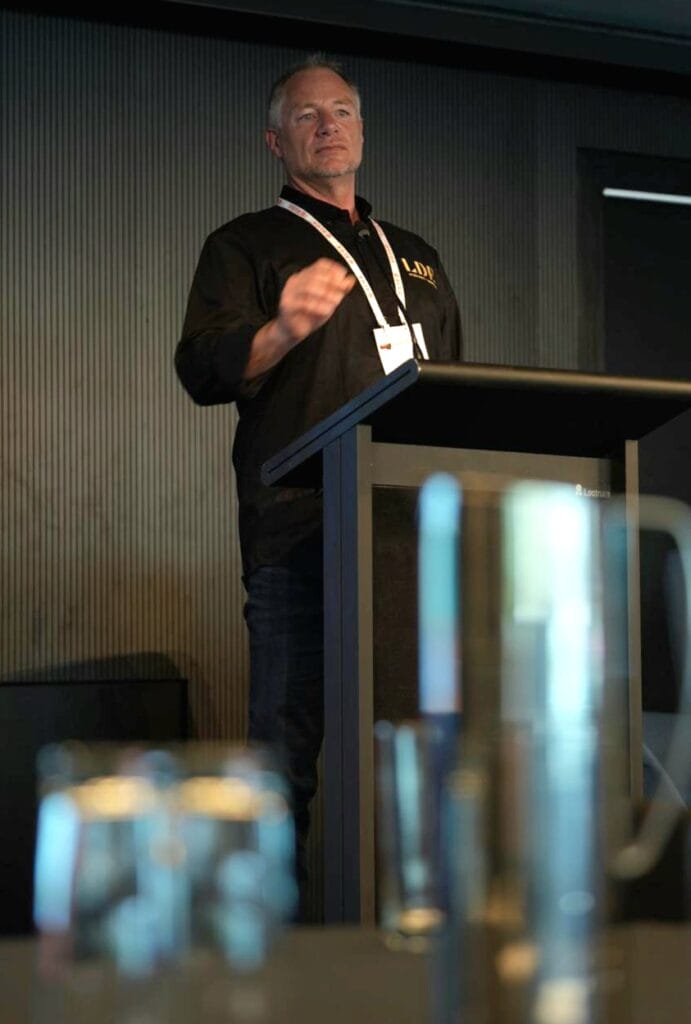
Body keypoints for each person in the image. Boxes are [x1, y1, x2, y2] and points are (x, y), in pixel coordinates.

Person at [175, 53, 463, 915]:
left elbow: (453, 388)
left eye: (341, 110)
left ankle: (417, 944)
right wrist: (283, 326)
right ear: (275, 140)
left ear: (363, 132)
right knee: (283, 756)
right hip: (299, 531)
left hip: (409, 538)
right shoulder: (245, 245)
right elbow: (200, 369)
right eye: (307, 115)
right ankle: (281, 959)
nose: (327, 123)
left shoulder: (417, 258)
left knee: (421, 754)